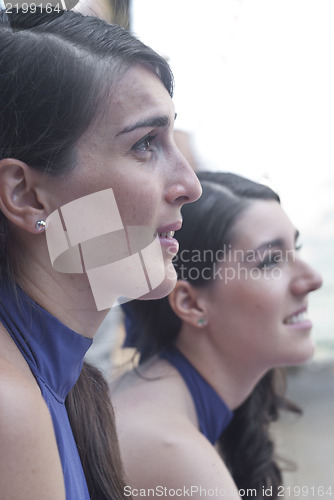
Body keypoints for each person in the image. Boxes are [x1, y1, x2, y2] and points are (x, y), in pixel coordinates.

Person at [0, 8, 201, 500]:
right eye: (144, 145)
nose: (190, 185)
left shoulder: (61, 384)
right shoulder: (11, 409)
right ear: (25, 195)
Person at [112, 171, 322, 499]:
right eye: (270, 261)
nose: (312, 279)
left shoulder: (152, 395)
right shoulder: (175, 454)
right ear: (191, 303)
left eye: (295, 249)